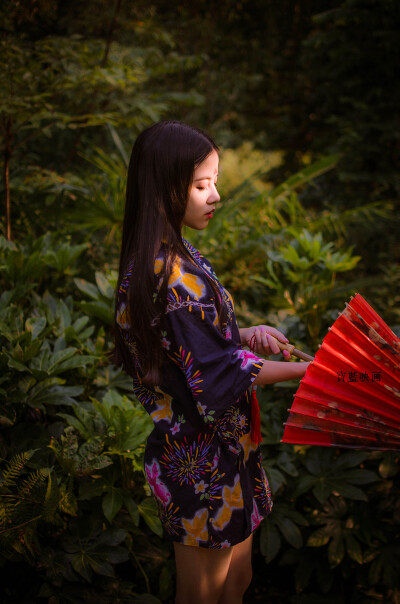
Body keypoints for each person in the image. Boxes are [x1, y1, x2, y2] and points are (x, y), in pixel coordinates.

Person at [113, 121, 310, 604]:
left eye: (214, 181)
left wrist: (243, 334)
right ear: (163, 184)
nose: (215, 195)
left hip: (227, 449)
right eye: (201, 185)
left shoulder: (173, 255)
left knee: (236, 582)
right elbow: (219, 373)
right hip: (200, 460)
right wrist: (315, 370)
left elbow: (187, 344)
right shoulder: (170, 274)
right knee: (203, 594)